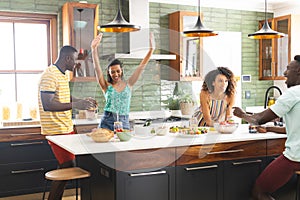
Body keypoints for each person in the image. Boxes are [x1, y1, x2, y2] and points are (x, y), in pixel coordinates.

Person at [233, 55, 300, 200]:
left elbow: (258, 120)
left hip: (296, 158)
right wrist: (269, 129)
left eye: (288, 69)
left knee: (259, 191)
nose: (284, 73)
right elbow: (294, 130)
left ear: (299, 71)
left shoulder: (293, 94)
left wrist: (242, 114)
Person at [38, 45, 97, 200]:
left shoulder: (62, 74)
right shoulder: (49, 75)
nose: (77, 64)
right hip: (57, 132)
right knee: (68, 167)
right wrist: (76, 105)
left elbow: (64, 98)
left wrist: (81, 100)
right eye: (76, 60)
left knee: (66, 167)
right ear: (68, 58)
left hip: (66, 129)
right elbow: (48, 105)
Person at [91, 33, 154, 131]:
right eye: (112, 72)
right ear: (109, 73)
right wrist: (94, 49)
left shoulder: (129, 84)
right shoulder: (106, 86)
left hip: (123, 121)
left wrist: (151, 50)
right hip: (107, 121)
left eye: (117, 71)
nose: (115, 74)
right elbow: (97, 68)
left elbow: (141, 67)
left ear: (122, 70)